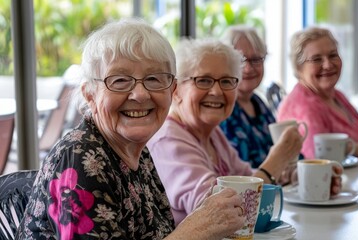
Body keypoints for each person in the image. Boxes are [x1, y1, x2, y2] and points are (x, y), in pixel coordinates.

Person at [15, 19, 246, 240]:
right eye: (119, 80)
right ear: (90, 94)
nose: (140, 94)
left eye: (154, 79)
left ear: (171, 90)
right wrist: (196, 231)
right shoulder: (79, 157)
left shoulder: (137, 151)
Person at [147, 38, 312, 226]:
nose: (217, 91)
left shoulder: (213, 134)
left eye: (226, 81)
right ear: (176, 91)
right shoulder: (168, 140)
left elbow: (247, 176)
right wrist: (276, 161)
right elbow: (217, 209)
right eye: (204, 80)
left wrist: (299, 176)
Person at [277, 26, 358, 158]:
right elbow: (318, 159)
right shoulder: (304, 107)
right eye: (317, 59)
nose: (328, 65)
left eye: (333, 55)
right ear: (299, 68)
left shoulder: (336, 95)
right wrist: (354, 148)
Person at [220, 25, 287, 168]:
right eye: (240, 60)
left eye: (256, 59)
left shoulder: (258, 103)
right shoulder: (222, 109)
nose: (248, 68)